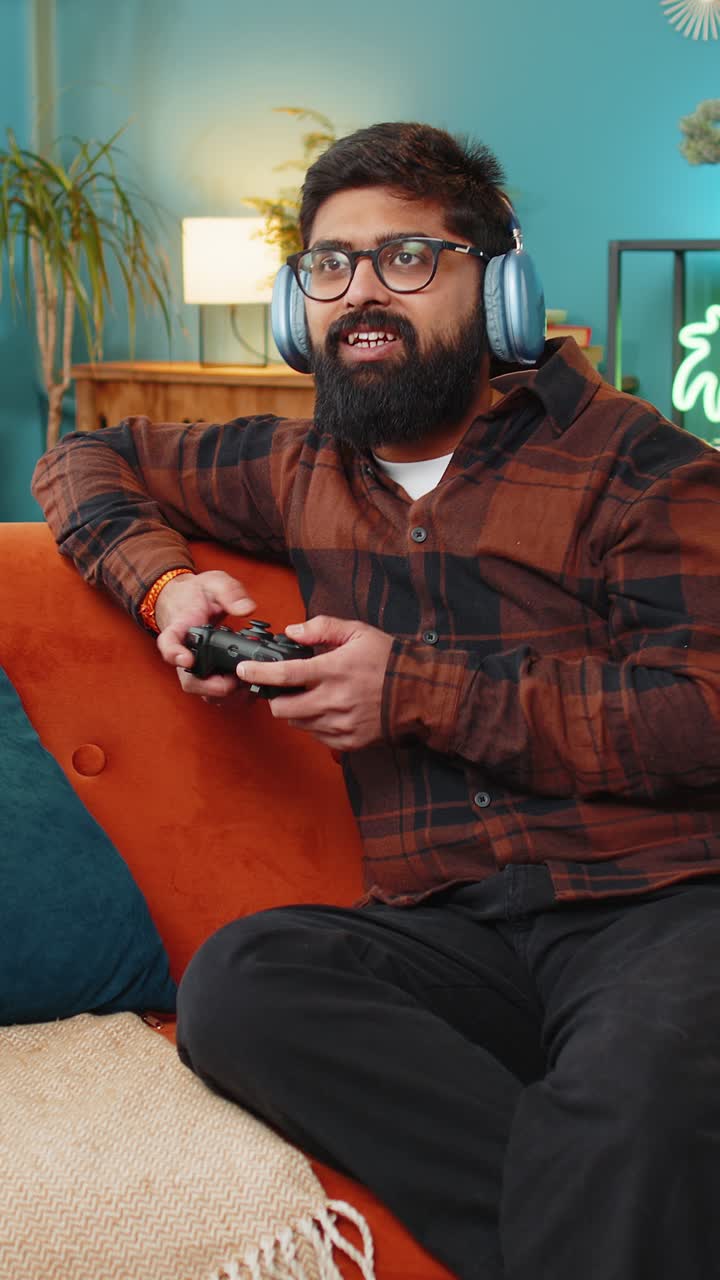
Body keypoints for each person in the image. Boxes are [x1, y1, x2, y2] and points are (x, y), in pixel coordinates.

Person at [32, 121, 720, 1280]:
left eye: (408, 259)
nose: (362, 292)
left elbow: (701, 712)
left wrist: (413, 690)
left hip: (653, 906)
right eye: (331, 264)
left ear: (502, 289)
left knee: (633, 1090)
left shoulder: (643, 466)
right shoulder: (296, 465)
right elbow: (85, 458)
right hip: (451, 929)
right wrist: (165, 584)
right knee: (243, 985)